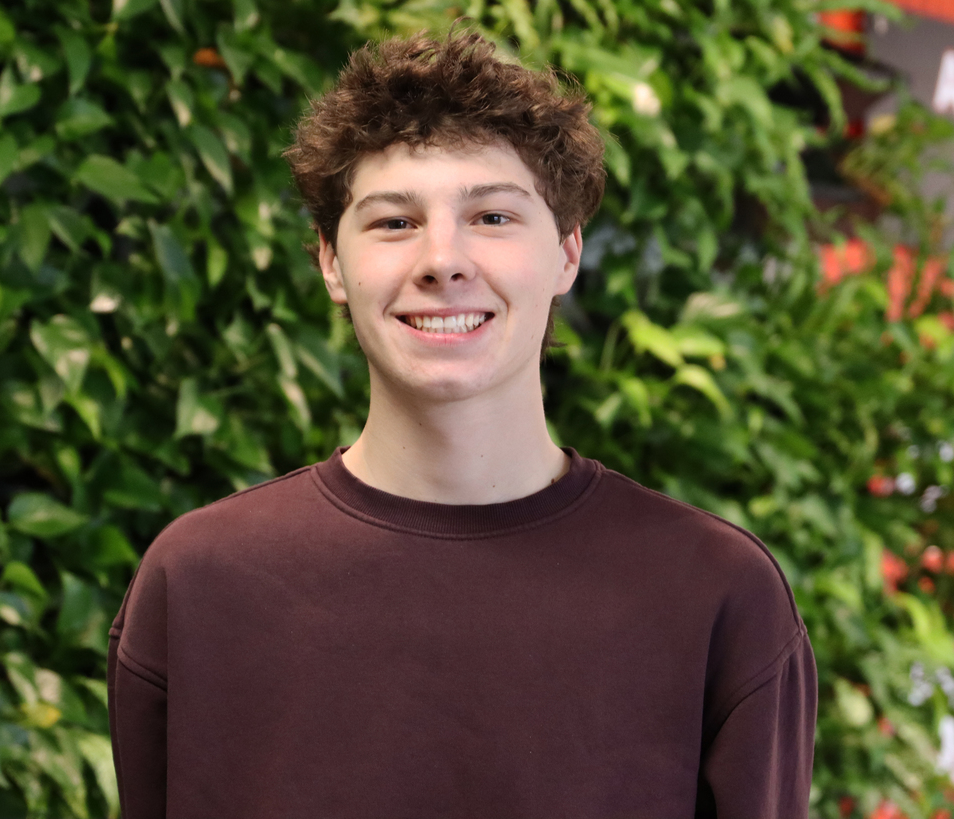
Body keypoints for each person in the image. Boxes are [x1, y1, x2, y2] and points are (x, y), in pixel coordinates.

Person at [107, 29, 817, 818]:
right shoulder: (200, 582)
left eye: (492, 217)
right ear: (330, 263)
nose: (443, 260)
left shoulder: (717, 594)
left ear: (567, 253)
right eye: (393, 223)